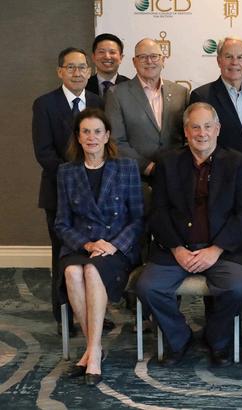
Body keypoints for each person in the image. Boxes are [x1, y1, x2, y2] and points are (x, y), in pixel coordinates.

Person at [136, 103, 242, 367]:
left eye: (208, 126)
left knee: (238, 288)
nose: (202, 133)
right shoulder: (168, 162)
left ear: (218, 129)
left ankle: (217, 339)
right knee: (148, 288)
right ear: (186, 131)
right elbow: (158, 212)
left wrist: (216, 249)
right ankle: (180, 338)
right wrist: (177, 248)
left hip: (222, 250)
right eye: (195, 127)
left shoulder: (237, 162)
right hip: (176, 249)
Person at [55, 108, 144, 386]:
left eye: (97, 132)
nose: (91, 137)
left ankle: (91, 354)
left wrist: (114, 245)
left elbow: (138, 219)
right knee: (72, 272)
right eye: (85, 132)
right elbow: (61, 223)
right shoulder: (66, 172)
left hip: (116, 247)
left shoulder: (126, 167)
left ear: (107, 136)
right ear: (78, 137)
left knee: (92, 271)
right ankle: (94, 347)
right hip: (81, 245)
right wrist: (87, 243)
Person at [32, 47, 104, 336]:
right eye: (71, 67)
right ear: (60, 71)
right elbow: (44, 152)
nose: (77, 73)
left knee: (93, 257)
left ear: (90, 71)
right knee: (62, 256)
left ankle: (94, 314)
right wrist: (75, 179)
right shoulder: (45, 104)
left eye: (82, 67)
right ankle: (64, 316)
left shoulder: (98, 101)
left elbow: (103, 144)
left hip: (95, 196)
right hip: (58, 193)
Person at [105, 38, 189, 179]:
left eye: (154, 56)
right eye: (143, 57)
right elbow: (115, 141)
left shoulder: (181, 93)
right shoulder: (117, 94)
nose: (149, 61)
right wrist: (148, 167)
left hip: (177, 174)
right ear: (134, 62)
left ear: (163, 60)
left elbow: (189, 135)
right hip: (136, 177)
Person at [190, 37, 242, 170]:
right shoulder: (202, 96)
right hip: (220, 174)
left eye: (240, 57)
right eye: (228, 57)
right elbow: (199, 143)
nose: (234, 62)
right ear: (219, 61)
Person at [86, 33, 129, 97]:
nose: (107, 57)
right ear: (93, 57)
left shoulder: (131, 87)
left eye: (112, 52)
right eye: (101, 52)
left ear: (121, 58)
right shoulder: (84, 86)